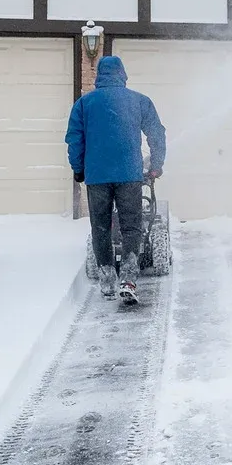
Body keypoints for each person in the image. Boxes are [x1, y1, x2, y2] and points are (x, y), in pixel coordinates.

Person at [65, 55, 167, 299]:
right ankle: (129, 279)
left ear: (99, 75)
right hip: (129, 175)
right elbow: (156, 133)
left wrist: (78, 168)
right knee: (131, 227)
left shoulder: (84, 104)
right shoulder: (139, 101)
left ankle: (107, 278)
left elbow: (74, 139)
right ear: (122, 74)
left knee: (100, 227)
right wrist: (156, 164)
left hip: (97, 176)